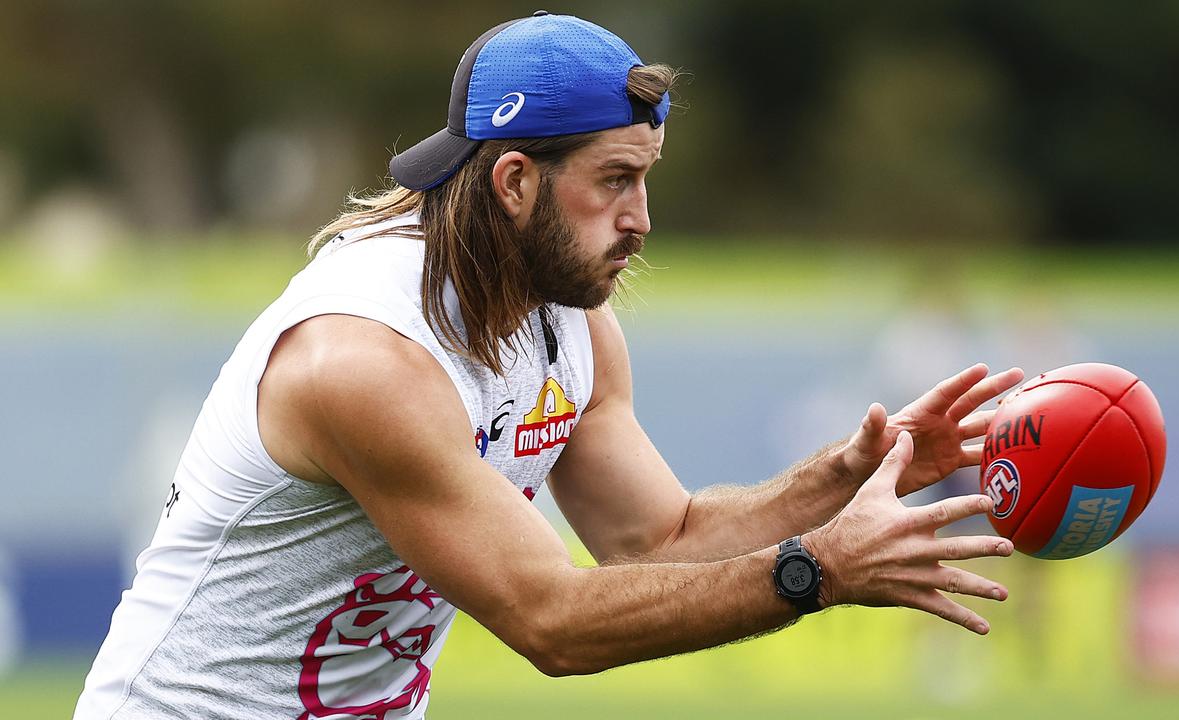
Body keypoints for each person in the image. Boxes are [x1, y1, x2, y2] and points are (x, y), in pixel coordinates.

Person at [74, 12, 1023, 719]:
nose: (642, 220)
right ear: (515, 181)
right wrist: (816, 569)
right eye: (614, 181)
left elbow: (658, 541)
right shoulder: (365, 362)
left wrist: (848, 475)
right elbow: (552, 621)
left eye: (644, 180)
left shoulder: (568, 323)